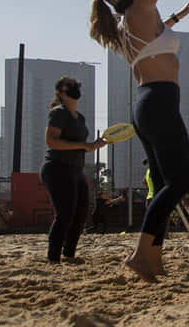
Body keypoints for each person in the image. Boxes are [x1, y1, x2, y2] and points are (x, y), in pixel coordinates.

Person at [89, 0, 189, 281]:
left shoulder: (126, 24)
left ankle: (152, 257)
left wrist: (177, 16)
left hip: (146, 104)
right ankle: (140, 253)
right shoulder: (138, 9)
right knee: (178, 183)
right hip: (158, 103)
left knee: (164, 187)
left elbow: (158, 34)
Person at [40, 77, 107, 262]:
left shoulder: (80, 117)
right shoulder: (58, 113)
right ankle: (53, 257)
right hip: (57, 168)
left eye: (76, 85)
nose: (74, 89)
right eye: (69, 87)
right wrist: (83, 145)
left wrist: (92, 146)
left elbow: (80, 145)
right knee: (64, 214)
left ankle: (69, 254)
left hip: (76, 169)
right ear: (60, 93)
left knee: (80, 214)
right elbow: (51, 141)